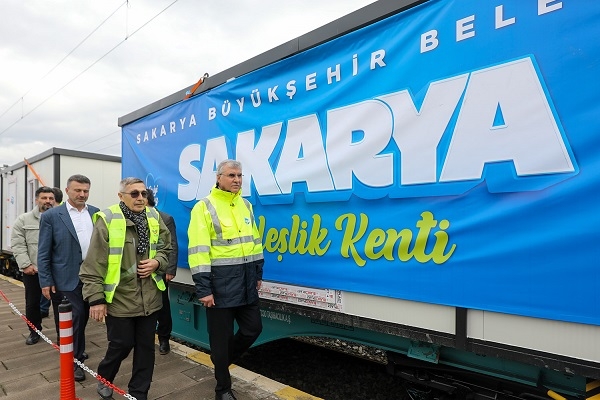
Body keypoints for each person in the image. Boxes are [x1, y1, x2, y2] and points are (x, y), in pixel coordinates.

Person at [80, 177, 172, 400]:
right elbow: (94, 262)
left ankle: (139, 393)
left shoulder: (154, 216)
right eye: (134, 194)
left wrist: (157, 262)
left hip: (150, 297)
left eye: (143, 193)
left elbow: (166, 248)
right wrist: (96, 299)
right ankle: (104, 378)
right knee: (121, 344)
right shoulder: (108, 219)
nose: (141, 198)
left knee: (146, 349)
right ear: (121, 196)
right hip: (120, 298)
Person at [188, 159, 264, 400]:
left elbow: (255, 243)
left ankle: (220, 361)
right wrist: (204, 288)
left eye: (240, 175)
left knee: (253, 329)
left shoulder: (246, 206)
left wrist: (258, 274)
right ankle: (223, 389)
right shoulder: (204, 207)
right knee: (220, 340)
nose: (237, 180)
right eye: (232, 175)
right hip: (219, 288)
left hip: (246, 283)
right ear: (218, 177)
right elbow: (199, 251)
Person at [38, 174, 99, 382]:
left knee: (80, 320)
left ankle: (74, 350)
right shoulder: (52, 216)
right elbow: (44, 251)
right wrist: (45, 280)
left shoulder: (96, 213)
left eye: (86, 191)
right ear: (67, 191)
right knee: (73, 318)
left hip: (91, 277)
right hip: (64, 277)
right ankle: (74, 362)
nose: (82, 194)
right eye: (78, 190)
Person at [10, 186, 56, 345]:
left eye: (51, 198)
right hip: (33, 271)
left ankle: (63, 334)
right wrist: (25, 264)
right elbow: (17, 244)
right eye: (44, 198)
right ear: (37, 200)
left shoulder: (61, 218)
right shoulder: (23, 220)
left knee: (61, 305)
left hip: (57, 272)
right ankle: (34, 331)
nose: (48, 201)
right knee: (32, 304)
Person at [146, 188, 178, 355]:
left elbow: (172, 245)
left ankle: (164, 338)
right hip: (141, 272)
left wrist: (170, 269)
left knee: (163, 308)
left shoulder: (165, 218)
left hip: (160, 272)